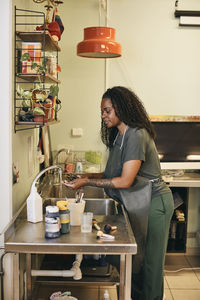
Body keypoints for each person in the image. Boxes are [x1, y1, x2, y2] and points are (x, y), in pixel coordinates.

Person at [63, 86, 174, 300]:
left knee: (150, 267)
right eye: (102, 111)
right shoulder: (119, 136)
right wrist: (84, 176)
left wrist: (86, 182)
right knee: (135, 263)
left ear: (121, 109)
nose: (103, 116)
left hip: (154, 204)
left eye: (107, 110)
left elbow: (125, 180)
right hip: (137, 204)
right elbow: (110, 173)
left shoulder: (135, 135)